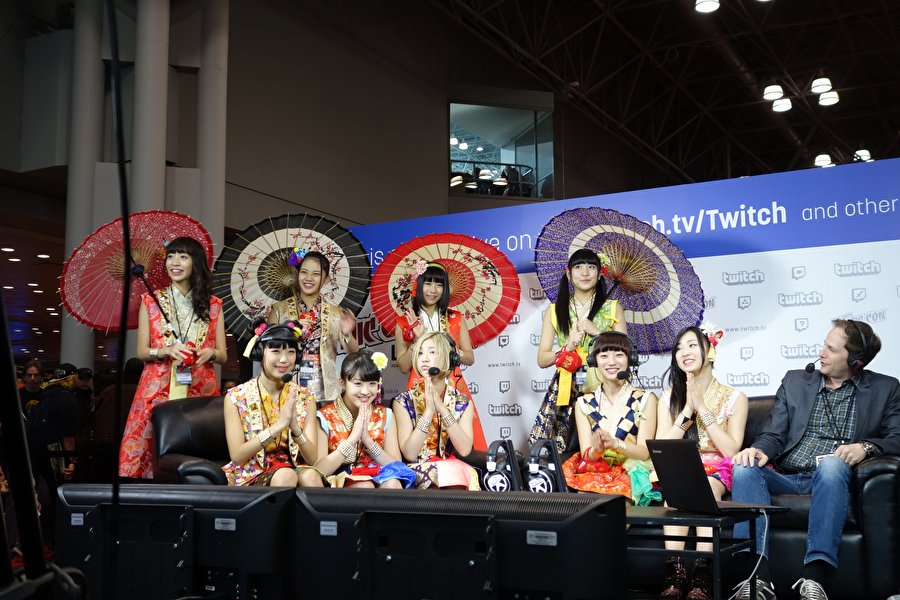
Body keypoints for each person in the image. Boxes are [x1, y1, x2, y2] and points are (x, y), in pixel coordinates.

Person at [731, 320, 900, 600]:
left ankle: (814, 578)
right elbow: (773, 434)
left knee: (832, 463)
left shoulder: (886, 389)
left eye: (831, 349)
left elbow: (897, 436)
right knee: (744, 467)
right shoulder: (795, 381)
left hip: (832, 477)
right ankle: (757, 579)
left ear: (856, 361)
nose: (821, 353)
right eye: (824, 345)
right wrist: (758, 449)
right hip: (786, 475)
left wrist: (866, 447)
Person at [119, 236, 227, 479]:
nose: (174, 263)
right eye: (170, 257)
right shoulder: (151, 301)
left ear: (195, 262)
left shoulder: (213, 305)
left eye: (183, 257)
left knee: (198, 453)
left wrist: (211, 353)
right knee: (152, 450)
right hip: (158, 385)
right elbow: (142, 352)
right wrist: (165, 351)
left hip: (200, 386)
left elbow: (222, 354)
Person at [655, 325, 748, 600]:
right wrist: (687, 410)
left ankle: (702, 576)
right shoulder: (668, 397)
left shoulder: (735, 398)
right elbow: (661, 447)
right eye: (679, 347)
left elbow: (730, 449)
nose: (684, 352)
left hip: (716, 470)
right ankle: (675, 576)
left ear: (710, 351)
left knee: (703, 489)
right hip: (680, 467)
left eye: (692, 345)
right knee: (674, 495)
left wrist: (703, 408)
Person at [529, 248, 627, 453]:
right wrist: (568, 347)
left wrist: (597, 333)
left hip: (605, 383)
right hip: (567, 383)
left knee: (607, 445)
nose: (585, 272)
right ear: (568, 273)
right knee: (564, 448)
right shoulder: (554, 310)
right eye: (578, 267)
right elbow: (542, 359)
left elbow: (624, 350)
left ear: (600, 273)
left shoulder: (612, 307)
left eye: (591, 267)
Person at [394, 260, 486, 449]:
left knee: (462, 443)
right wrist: (417, 341)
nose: (433, 290)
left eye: (439, 284)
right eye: (428, 283)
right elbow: (403, 366)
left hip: (453, 383)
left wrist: (450, 348)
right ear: (418, 285)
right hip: (419, 384)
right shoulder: (404, 322)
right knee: (421, 443)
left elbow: (469, 358)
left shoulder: (456, 318)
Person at [562, 331, 658, 504]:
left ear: (630, 359)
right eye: (604, 356)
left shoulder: (645, 399)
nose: (611, 362)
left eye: (619, 355)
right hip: (598, 472)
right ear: (594, 361)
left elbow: (644, 453)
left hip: (632, 472)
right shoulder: (584, 403)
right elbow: (587, 456)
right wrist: (597, 451)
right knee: (584, 506)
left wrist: (615, 444)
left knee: (616, 505)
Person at [223, 321, 322, 487]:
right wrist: (278, 427)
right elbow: (237, 456)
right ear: (260, 352)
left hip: (293, 467)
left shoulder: (305, 398)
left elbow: (312, 459)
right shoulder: (236, 397)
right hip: (253, 473)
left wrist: (295, 428)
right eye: (276, 351)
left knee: (310, 476)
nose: (284, 359)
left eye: (291, 352)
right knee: (285, 476)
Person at [267, 249, 358, 406]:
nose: (308, 278)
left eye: (316, 274)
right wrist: (290, 329)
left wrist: (347, 333)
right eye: (304, 272)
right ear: (297, 274)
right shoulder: (279, 309)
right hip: (286, 383)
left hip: (324, 387)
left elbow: (353, 352)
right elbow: (267, 349)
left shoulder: (335, 312)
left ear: (326, 279)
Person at [313, 351, 416, 489]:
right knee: (365, 486)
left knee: (393, 483)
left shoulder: (385, 415)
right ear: (342, 383)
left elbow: (397, 467)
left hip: (377, 475)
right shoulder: (325, 416)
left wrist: (368, 441)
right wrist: (352, 439)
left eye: (372, 384)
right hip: (340, 480)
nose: (365, 391)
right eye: (358, 384)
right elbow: (319, 471)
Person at [392, 332, 480, 490]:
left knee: (459, 472)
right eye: (420, 353)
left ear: (448, 357)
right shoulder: (403, 401)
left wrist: (442, 408)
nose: (424, 359)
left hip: (451, 469)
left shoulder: (463, 402)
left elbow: (465, 449)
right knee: (447, 473)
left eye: (432, 352)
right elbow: (410, 454)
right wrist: (428, 412)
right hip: (417, 472)